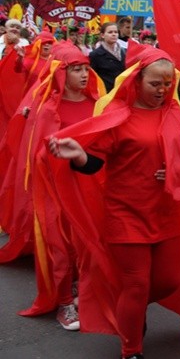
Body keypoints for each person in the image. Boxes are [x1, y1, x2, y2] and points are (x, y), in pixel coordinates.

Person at [48, 44, 180, 359]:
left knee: (169, 280)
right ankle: (131, 348)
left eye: (167, 83)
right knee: (135, 284)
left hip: (165, 212)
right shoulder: (119, 115)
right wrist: (78, 156)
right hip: (125, 214)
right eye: (155, 83)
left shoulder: (173, 112)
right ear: (137, 80)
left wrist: (175, 170)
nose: (162, 90)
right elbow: (95, 162)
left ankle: (130, 308)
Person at [6, 43, 103, 331]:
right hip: (56, 189)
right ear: (62, 73)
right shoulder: (49, 108)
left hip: (90, 185)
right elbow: (38, 152)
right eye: (76, 70)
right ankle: (63, 302)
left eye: (86, 68)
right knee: (60, 247)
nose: (84, 74)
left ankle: (82, 292)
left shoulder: (97, 103)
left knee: (88, 245)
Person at [89, 22, 126, 92]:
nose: (114, 34)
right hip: (106, 93)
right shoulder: (95, 55)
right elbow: (92, 77)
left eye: (116, 32)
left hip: (122, 91)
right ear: (102, 35)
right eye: (110, 32)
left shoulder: (124, 52)